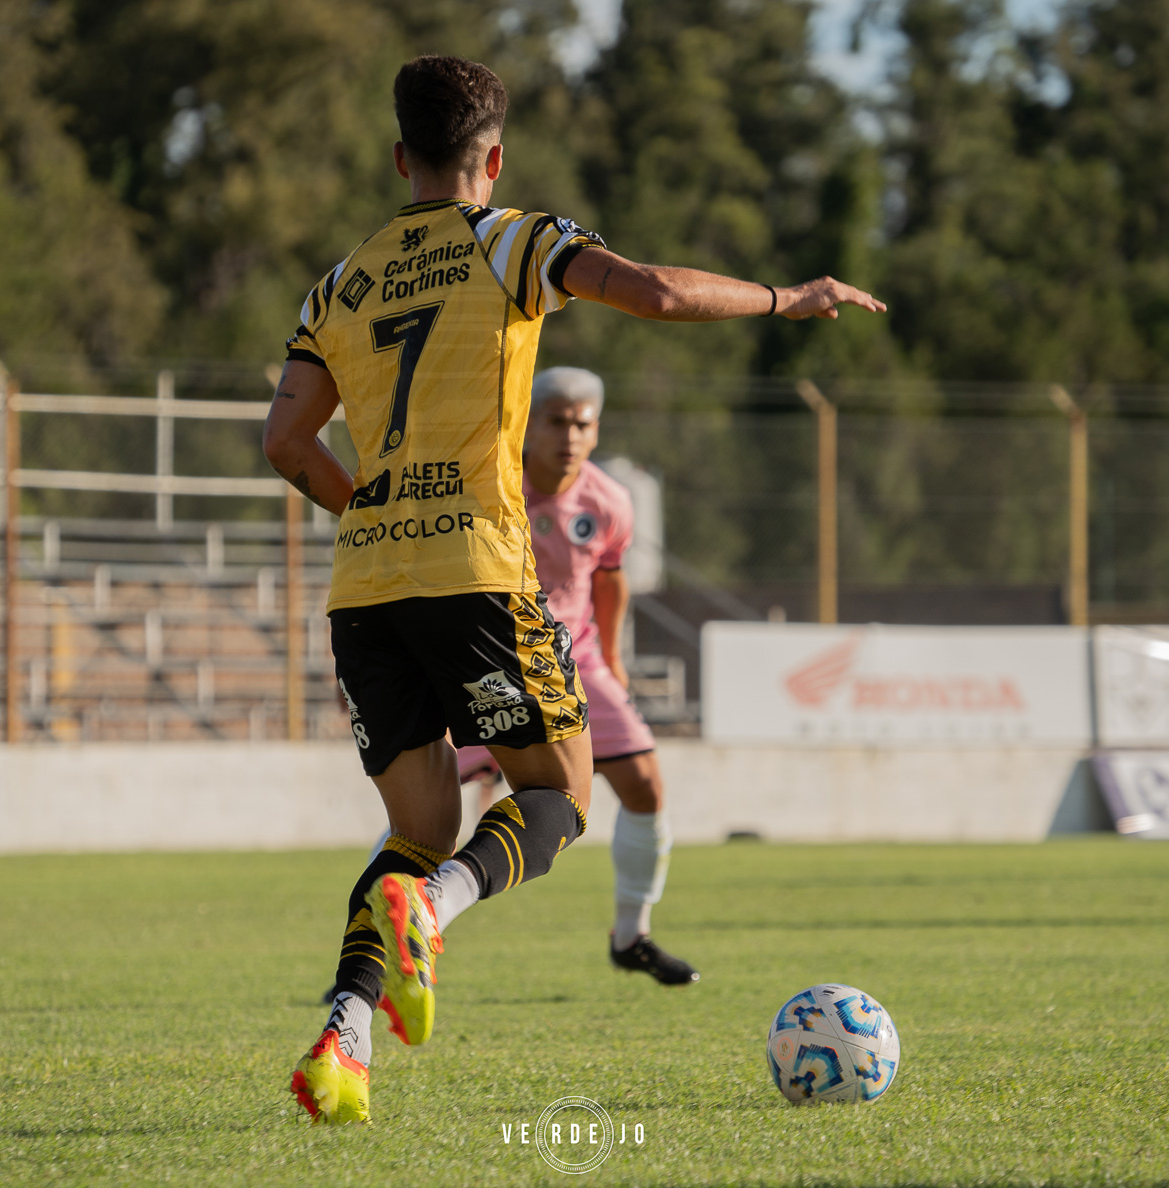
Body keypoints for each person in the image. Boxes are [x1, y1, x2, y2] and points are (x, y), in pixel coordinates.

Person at [262, 54, 883, 1123]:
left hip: (366, 587)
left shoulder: (343, 280)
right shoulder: (515, 239)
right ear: (493, 159)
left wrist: (370, 510)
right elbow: (658, 293)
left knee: (413, 826)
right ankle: (440, 910)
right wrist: (787, 297)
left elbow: (285, 441)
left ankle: (342, 1041)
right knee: (556, 798)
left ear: (401, 156)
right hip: (478, 572)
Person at [454, 367, 696, 984]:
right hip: (497, 659)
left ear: (595, 432)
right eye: (556, 421)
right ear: (528, 425)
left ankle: (631, 936)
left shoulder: (609, 500)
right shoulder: (492, 485)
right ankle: (378, 941)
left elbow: (610, 578)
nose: (569, 435)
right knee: (425, 805)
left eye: (581, 423)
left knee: (645, 784)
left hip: (577, 660)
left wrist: (611, 660)